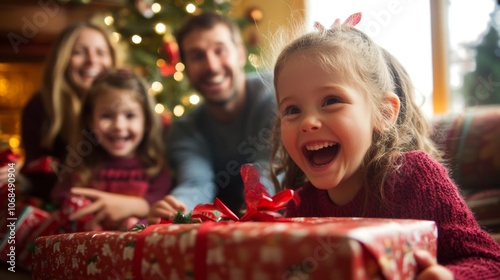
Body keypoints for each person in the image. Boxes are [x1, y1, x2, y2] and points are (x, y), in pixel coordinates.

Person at [270, 14, 500, 279]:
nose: (308, 122)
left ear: (384, 113)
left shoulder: (415, 178)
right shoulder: (302, 205)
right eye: (292, 109)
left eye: (331, 100)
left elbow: (489, 260)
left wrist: (450, 277)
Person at [148, 12, 277, 222]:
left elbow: (270, 170)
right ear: (186, 69)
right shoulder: (183, 130)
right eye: (197, 56)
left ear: (241, 54)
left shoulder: (278, 95)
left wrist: (257, 207)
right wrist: (176, 210)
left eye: (220, 50)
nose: (212, 66)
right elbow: (195, 184)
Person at [51, 68, 171, 230]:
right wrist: (82, 217)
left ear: (146, 121)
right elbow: (60, 198)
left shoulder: (154, 166)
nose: (119, 126)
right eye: (106, 116)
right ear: (90, 121)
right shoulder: (81, 165)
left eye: (130, 116)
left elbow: (160, 204)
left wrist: (134, 221)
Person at [18, 21, 119, 203]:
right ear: (62, 59)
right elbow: (37, 181)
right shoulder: (40, 107)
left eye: (101, 53)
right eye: (79, 52)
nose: (92, 61)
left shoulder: (125, 106)